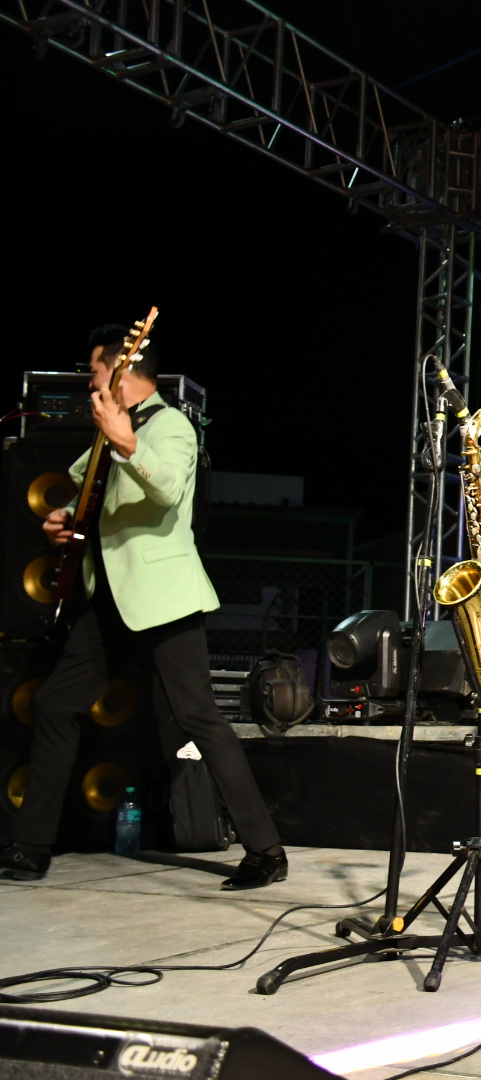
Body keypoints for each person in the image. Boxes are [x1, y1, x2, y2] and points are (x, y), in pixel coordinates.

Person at [0, 326, 287, 889]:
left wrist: (128, 443)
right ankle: (31, 848)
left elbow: (169, 488)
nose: (90, 383)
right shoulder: (109, 432)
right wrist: (63, 519)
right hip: (109, 599)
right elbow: (84, 489)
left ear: (122, 369)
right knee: (56, 704)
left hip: (163, 599)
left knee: (198, 717)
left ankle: (266, 851)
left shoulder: (170, 425)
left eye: (95, 372)